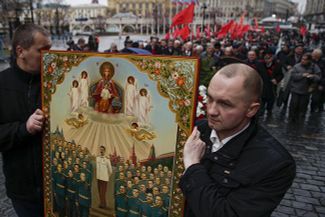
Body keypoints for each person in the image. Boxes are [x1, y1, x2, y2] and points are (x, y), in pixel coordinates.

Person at [180, 63, 296, 217]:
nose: (211, 110)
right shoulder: (195, 130)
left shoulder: (275, 164)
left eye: (225, 104)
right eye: (210, 98)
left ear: (251, 109)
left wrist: (193, 166)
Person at [0, 23, 51, 217]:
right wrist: (24, 129)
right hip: (24, 190)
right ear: (21, 51)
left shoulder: (54, 81)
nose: (49, 55)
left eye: (50, 48)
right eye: (42, 50)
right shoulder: (2, 84)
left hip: (58, 186)